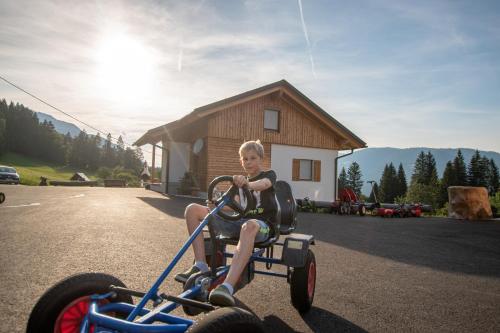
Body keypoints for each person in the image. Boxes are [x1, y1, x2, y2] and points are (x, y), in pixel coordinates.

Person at [175, 140, 277, 306]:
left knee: (249, 225)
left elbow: (263, 185)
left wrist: (247, 184)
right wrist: (215, 204)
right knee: (192, 209)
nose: (248, 162)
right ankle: (200, 264)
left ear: (261, 159)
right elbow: (231, 205)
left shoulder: (269, 176)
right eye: (245, 159)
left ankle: (227, 287)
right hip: (240, 224)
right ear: (241, 161)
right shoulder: (237, 184)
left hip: (263, 227)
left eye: (252, 158)